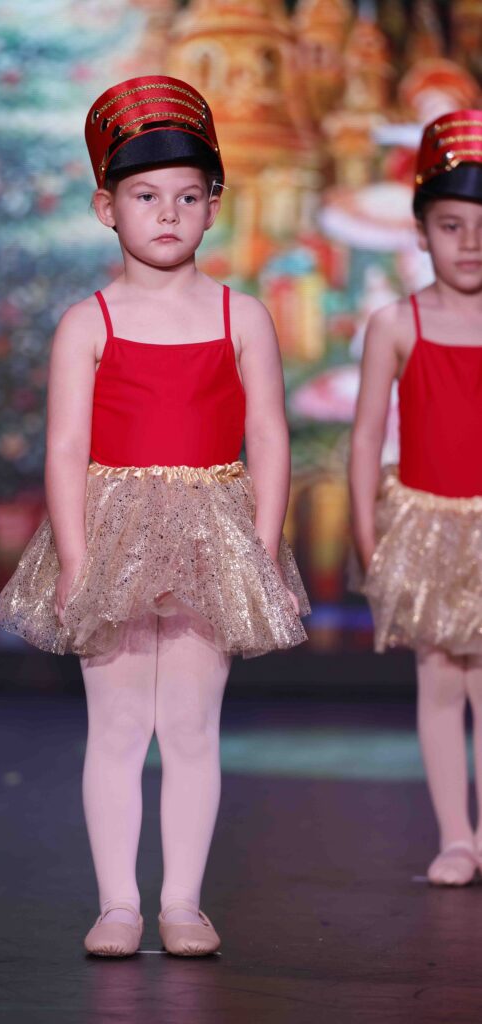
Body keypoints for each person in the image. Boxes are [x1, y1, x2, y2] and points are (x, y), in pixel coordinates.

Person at [0, 76, 308, 955]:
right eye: (143, 196)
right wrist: (76, 558)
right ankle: (116, 906)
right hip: (114, 535)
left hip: (213, 534)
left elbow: (268, 435)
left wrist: (261, 548)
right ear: (106, 208)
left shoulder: (241, 315)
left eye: (186, 196)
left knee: (192, 728)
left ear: (212, 205)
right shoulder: (87, 322)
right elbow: (66, 447)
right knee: (119, 725)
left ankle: (181, 903)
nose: (166, 213)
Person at [350, 109, 482, 886]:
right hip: (427, 523)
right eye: (450, 225)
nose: (469, 243)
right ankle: (454, 837)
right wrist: (368, 538)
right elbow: (366, 436)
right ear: (421, 233)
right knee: (438, 678)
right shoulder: (396, 323)